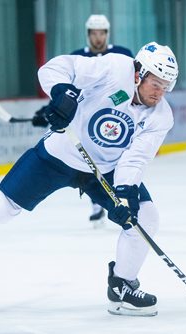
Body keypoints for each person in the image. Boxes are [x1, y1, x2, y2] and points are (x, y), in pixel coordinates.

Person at [0, 41, 178, 317]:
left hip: (106, 169)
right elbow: (55, 68)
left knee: (145, 218)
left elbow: (135, 159)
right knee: (3, 206)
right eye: (156, 84)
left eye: (166, 87)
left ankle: (121, 284)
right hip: (60, 153)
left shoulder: (161, 117)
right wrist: (62, 93)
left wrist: (125, 193)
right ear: (138, 73)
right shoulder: (114, 68)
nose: (160, 93)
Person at [32, 14, 134, 227]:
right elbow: (68, 92)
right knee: (87, 157)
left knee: (113, 161)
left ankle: (118, 200)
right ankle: (98, 202)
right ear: (88, 35)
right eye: (94, 33)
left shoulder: (123, 56)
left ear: (107, 33)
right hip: (87, 119)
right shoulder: (78, 56)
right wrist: (48, 110)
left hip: (115, 120)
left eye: (102, 33)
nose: (98, 38)